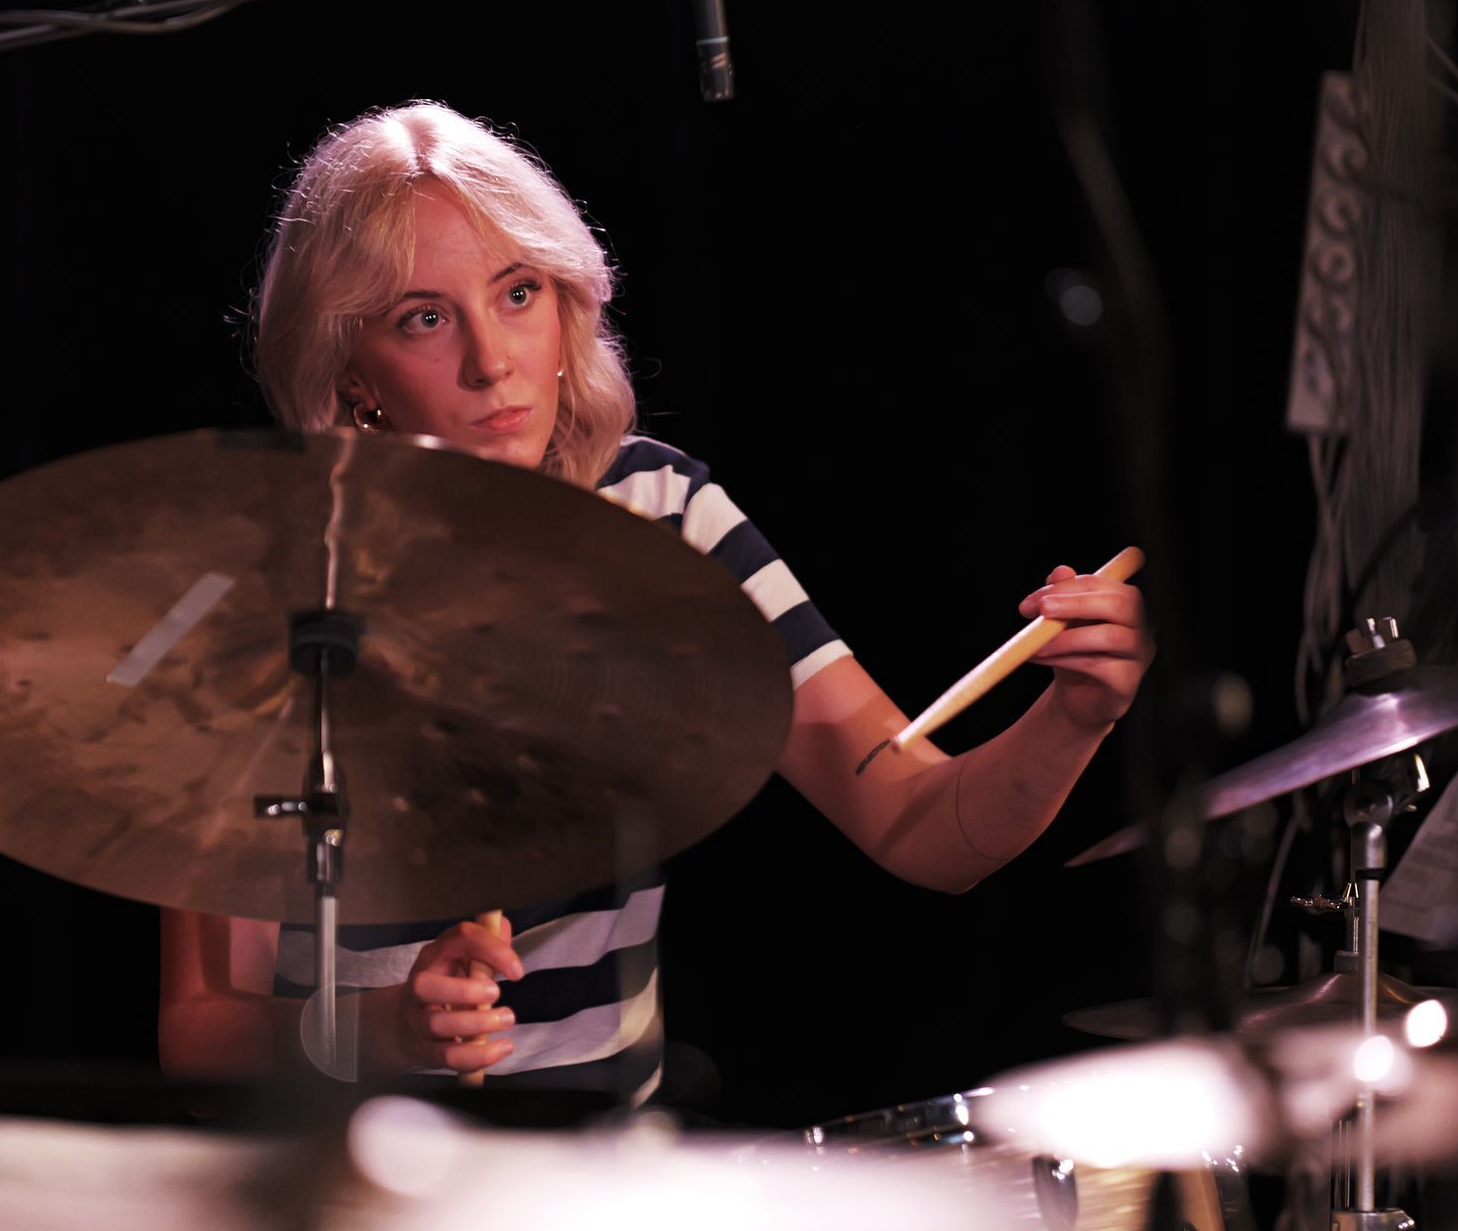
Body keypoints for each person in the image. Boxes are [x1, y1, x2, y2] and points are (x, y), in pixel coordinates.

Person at [158, 100, 1152, 1103]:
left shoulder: (661, 515)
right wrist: (387, 1026)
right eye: (425, 318)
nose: (491, 361)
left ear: (566, 310)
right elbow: (200, 1029)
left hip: (603, 1164)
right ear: (352, 373)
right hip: (347, 1173)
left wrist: (1074, 715)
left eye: (517, 293)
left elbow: (921, 826)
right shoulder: (252, 592)